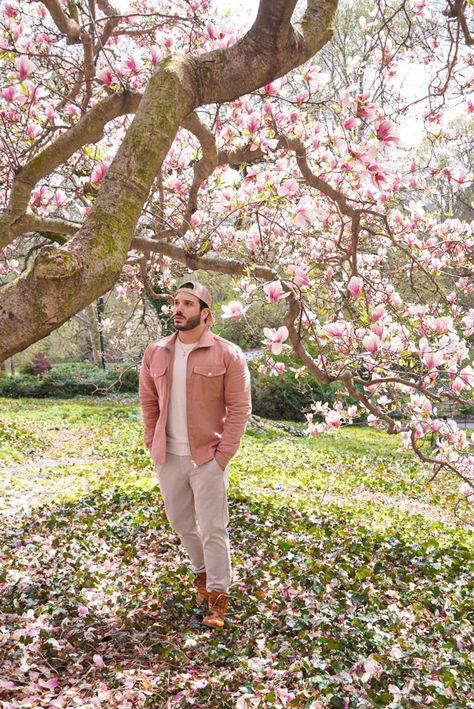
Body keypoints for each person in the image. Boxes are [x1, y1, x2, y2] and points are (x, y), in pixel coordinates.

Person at [139, 280, 251, 628]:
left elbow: (239, 408)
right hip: (168, 456)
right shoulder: (155, 351)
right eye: (176, 302)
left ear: (205, 313)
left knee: (214, 528)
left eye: (188, 304)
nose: (178, 309)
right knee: (181, 523)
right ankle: (202, 575)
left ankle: (218, 598)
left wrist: (222, 457)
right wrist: (151, 439)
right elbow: (148, 401)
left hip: (207, 458)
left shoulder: (227, 354)